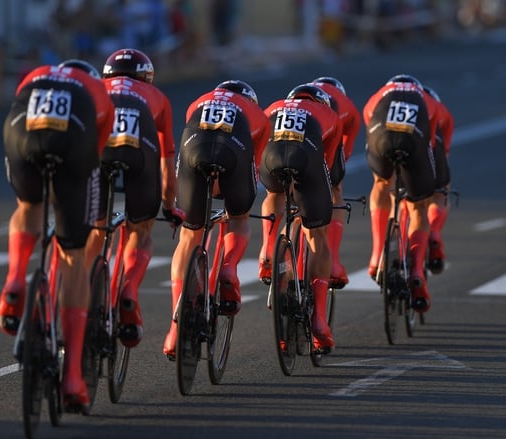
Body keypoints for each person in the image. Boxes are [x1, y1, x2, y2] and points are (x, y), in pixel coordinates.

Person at [0, 59, 115, 412]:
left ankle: (14, 282)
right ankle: (74, 378)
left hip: (23, 125)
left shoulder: (36, 74)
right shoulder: (100, 95)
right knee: (73, 253)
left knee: (28, 207)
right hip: (76, 135)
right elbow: (93, 162)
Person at [162, 79, 270, 358]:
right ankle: (229, 268)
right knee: (239, 218)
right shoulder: (257, 114)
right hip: (236, 151)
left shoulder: (198, 100)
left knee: (189, 233)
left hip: (193, 147)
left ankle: (174, 330)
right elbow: (253, 169)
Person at [83, 48, 177, 348]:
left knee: (96, 226)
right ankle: (129, 290)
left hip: (98, 150)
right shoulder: (157, 97)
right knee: (140, 229)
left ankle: (83, 288)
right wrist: (168, 205)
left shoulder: (95, 88)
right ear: (146, 77)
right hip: (140, 151)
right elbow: (166, 162)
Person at [259, 83, 342, 350]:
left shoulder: (273, 106)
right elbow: (331, 169)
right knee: (318, 235)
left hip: (270, 161)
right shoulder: (329, 114)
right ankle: (319, 320)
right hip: (307, 162)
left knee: (273, 196)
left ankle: (267, 254)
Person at [363, 74, 439, 313]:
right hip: (414, 139)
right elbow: (431, 143)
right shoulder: (426, 98)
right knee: (419, 206)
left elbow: (369, 128)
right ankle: (416, 270)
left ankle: (377, 255)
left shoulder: (378, 95)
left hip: (380, 135)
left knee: (381, 183)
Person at [309, 76, 362, 288]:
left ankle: (269, 255)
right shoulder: (346, 105)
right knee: (334, 189)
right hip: (325, 140)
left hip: (287, 137)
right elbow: (345, 153)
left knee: (282, 196)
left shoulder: (301, 95)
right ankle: (334, 261)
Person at [421, 84, 454, 275]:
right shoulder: (442, 111)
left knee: (388, 187)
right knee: (441, 191)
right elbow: (444, 154)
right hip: (432, 149)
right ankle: (434, 231)